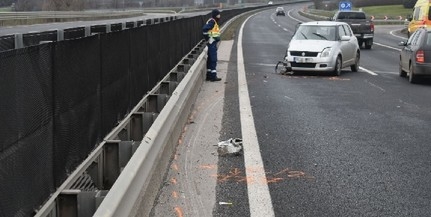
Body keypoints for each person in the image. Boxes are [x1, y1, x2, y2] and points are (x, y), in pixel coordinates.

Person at [202, 9, 222, 82]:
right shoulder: (212, 21)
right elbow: (204, 29)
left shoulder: (213, 21)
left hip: (212, 43)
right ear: (216, 15)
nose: (220, 16)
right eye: (219, 14)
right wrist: (208, 38)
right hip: (212, 43)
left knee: (210, 59)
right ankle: (213, 76)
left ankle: (209, 75)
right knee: (213, 59)